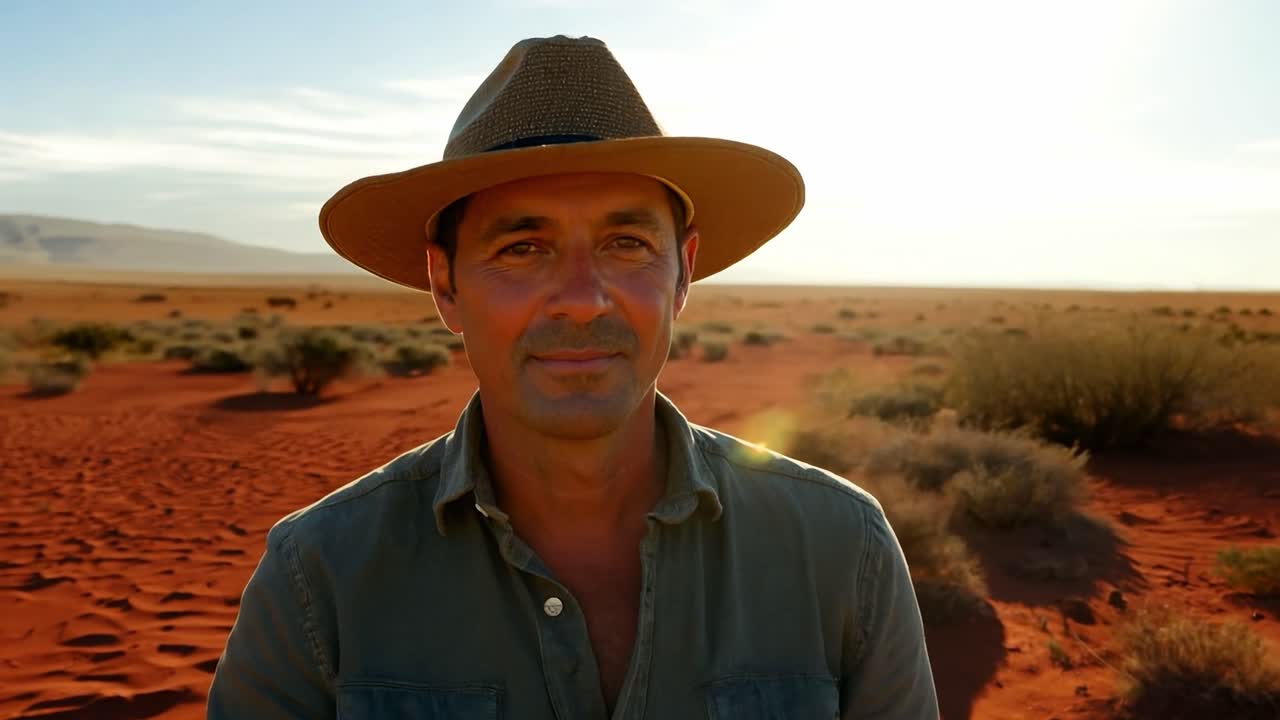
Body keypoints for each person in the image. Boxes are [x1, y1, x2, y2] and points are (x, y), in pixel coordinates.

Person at [207, 35, 939, 719]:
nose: (583, 301)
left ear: (682, 271)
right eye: (523, 248)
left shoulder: (841, 553)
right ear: (445, 284)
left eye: (626, 244)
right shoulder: (320, 578)